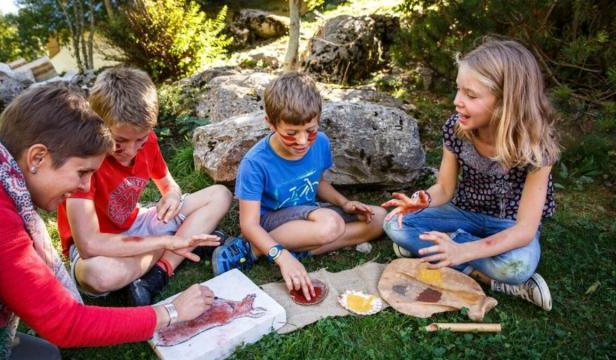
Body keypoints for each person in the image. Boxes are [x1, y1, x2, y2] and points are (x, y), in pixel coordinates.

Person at [0, 84, 217, 358]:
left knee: (45, 356)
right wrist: (170, 312)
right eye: (82, 172)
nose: (84, 186)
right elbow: (64, 323)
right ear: (38, 157)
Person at [382, 39, 560, 311]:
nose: (457, 102)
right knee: (395, 223)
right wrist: (422, 200)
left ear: (505, 103)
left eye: (471, 95)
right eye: (458, 90)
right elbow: (444, 188)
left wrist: (462, 250)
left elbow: (525, 230)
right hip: (463, 210)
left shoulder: (537, 147)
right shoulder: (456, 129)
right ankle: (477, 268)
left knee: (518, 267)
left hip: (509, 225)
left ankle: (460, 256)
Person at [57, 68, 232, 306]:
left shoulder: (147, 142)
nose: (130, 151)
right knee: (98, 276)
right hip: (101, 247)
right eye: (119, 142)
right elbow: (89, 245)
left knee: (219, 195)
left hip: (138, 224)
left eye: (140, 140)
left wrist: (171, 196)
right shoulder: (84, 161)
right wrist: (165, 241)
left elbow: (169, 186)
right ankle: (182, 244)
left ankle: (160, 270)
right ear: (98, 126)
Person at [212, 72, 386, 300]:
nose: (302, 141)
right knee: (330, 225)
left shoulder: (321, 142)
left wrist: (345, 203)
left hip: (308, 217)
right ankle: (252, 248)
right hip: (271, 222)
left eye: (310, 131)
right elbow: (249, 224)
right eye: (291, 133)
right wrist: (283, 258)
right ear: (271, 124)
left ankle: (285, 249)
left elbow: (318, 182)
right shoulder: (255, 162)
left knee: (380, 218)